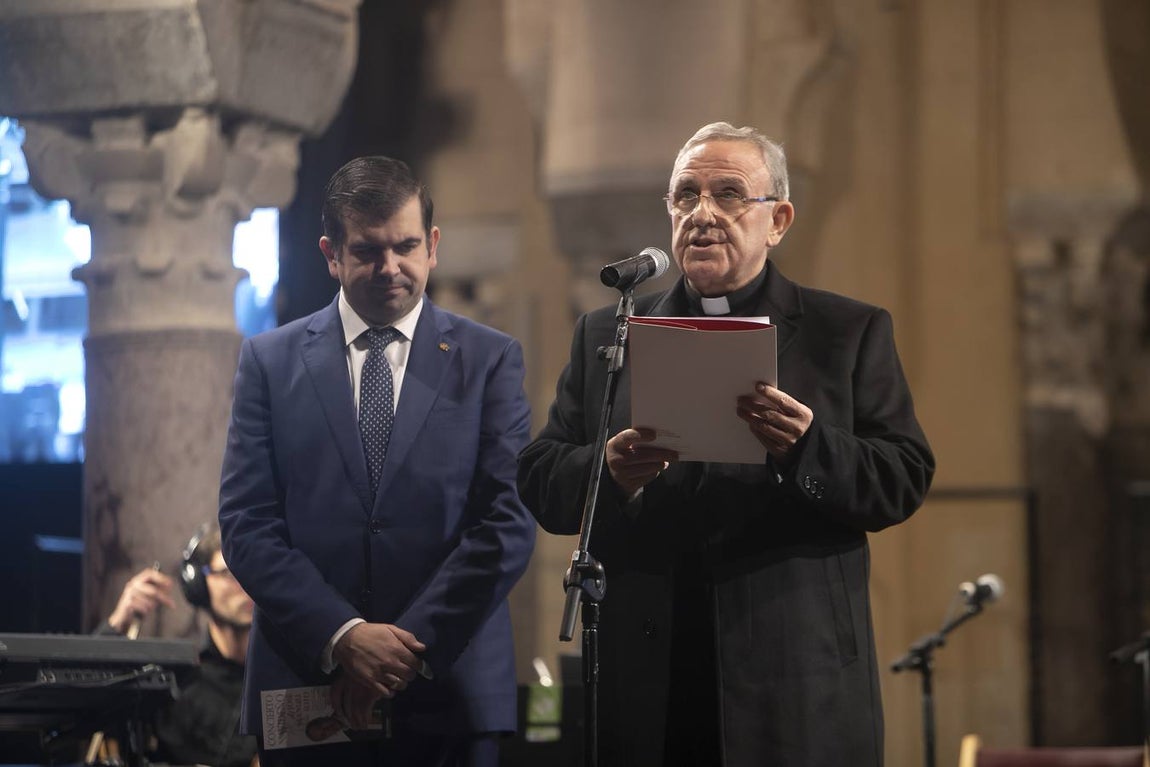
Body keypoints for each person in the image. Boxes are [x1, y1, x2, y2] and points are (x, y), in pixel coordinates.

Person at [516, 122, 935, 767]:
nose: (703, 214)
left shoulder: (845, 332)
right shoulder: (611, 332)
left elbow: (903, 477)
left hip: (794, 677)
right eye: (686, 195)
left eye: (730, 194)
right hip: (650, 673)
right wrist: (609, 471)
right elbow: (542, 475)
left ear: (779, 219)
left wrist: (807, 448)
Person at [218, 156, 536, 767]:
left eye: (407, 247)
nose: (391, 268)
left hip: (449, 685)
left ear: (433, 246)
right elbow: (247, 525)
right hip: (308, 681)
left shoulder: (491, 359)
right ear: (331, 254)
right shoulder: (269, 362)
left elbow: (507, 521)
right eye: (367, 251)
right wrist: (343, 638)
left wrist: (403, 648)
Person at [101, 522, 257, 767]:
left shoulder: (285, 677)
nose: (246, 585)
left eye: (251, 571)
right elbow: (87, 697)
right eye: (228, 573)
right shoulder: (177, 680)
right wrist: (117, 624)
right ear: (198, 586)